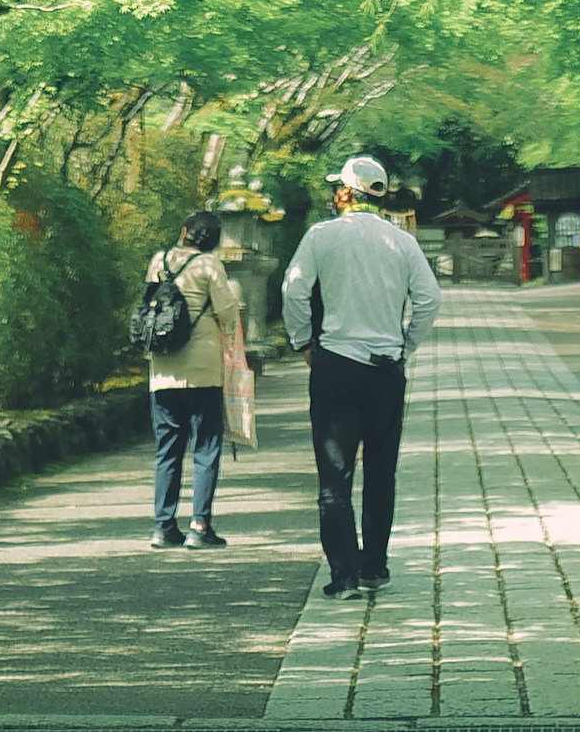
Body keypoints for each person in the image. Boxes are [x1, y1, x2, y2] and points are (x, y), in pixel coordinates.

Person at [281, 150, 440, 601]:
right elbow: (429, 299)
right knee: (381, 472)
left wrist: (303, 342)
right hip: (385, 368)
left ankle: (344, 575)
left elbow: (293, 289)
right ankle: (375, 567)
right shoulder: (402, 242)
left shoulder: (321, 235)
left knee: (335, 476)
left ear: (345, 191)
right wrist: (405, 345)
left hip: (335, 362)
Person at [139, 207, 248, 549]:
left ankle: (163, 526)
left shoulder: (159, 260)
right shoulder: (209, 265)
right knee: (205, 448)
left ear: (185, 232)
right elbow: (228, 314)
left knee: (167, 450)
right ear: (213, 241)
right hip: (202, 370)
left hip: (163, 369)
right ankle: (199, 526)